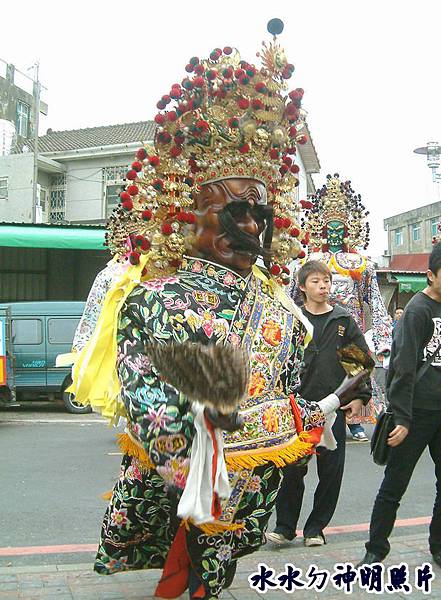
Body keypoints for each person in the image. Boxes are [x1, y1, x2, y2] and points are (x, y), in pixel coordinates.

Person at [68, 27, 367, 600]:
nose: (252, 226)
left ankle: (312, 531)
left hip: (285, 446)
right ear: (191, 217)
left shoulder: (315, 314)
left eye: (260, 213)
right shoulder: (161, 296)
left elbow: (350, 359)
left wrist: (343, 398)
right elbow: (152, 398)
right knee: (200, 569)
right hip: (199, 478)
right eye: (234, 212)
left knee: (259, 535)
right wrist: (196, 461)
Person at [266, 260, 372, 547]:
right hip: (296, 409)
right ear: (301, 287)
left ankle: (316, 528)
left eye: (326, 280)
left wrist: (360, 396)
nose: (323, 286)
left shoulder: (341, 321)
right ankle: (285, 527)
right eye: (315, 281)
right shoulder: (292, 319)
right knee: (291, 470)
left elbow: (360, 363)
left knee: (330, 471)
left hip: (331, 408)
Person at [358, 242, 441, 567]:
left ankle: (438, 545)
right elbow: (402, 368)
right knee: (395, 483)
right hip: (416, 413)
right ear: (430, 275)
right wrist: (403, 419)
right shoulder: (418, 311)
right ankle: (376, 548)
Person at [296, 174, 392, 441]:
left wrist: (384, 337)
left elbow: (374, 299)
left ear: (348, 230)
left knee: (353, 368)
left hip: (347, 326)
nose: (336, 233)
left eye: (340, 228)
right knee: (315, 371)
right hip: (314, 325)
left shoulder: (360, 263)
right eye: (331, 228)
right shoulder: (310, 261)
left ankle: (353, 417)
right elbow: (293, 301)